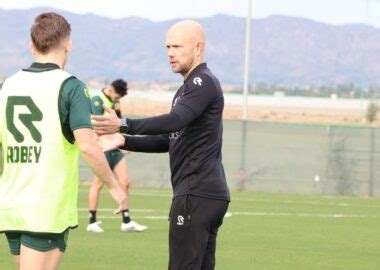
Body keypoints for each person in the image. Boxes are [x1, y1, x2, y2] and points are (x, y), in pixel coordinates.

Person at [93, 20, 230, 270]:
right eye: (167, 46)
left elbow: (175, 121)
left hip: (195, 194)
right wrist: (124, 139)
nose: (170, 53)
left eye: (177, 46)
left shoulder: (202, 82)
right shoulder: (187, 89)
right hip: (204, 194)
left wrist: (124, 124)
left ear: (198, 48)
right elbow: (171, 138)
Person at [0, 12, 127, 270]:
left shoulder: (7, 85)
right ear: (68, 45)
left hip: (12, 204)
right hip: (45, 207)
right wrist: (114, 188)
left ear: (31, 46)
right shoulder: (70, 87)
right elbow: (88, 146)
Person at [87, 79, 147, 233]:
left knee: (125, 182)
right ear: (111, 90)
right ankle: (92, 221)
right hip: (102, 148)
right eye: (118, 97)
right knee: (98, 184)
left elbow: (116, 124)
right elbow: (96, 124)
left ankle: (126, 221)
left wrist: (121, 143)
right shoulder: (98, 100)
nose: (118, 100)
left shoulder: (114, 103)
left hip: (115, 148)